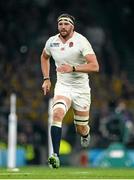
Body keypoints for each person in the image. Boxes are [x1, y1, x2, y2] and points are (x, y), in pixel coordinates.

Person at [41, 13, 99, 168]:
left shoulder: (81, 41)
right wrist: (46, 78)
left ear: (72, 26)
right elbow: (44, 57)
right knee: (57, 113)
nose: (63, 27)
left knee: (81, 128)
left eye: (66, 24)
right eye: (60, 24)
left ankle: (85, 134)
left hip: (81, 89)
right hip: (63, 86)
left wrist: (73, 68)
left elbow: (95, 66)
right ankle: (55, 156)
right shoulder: (52, 42)